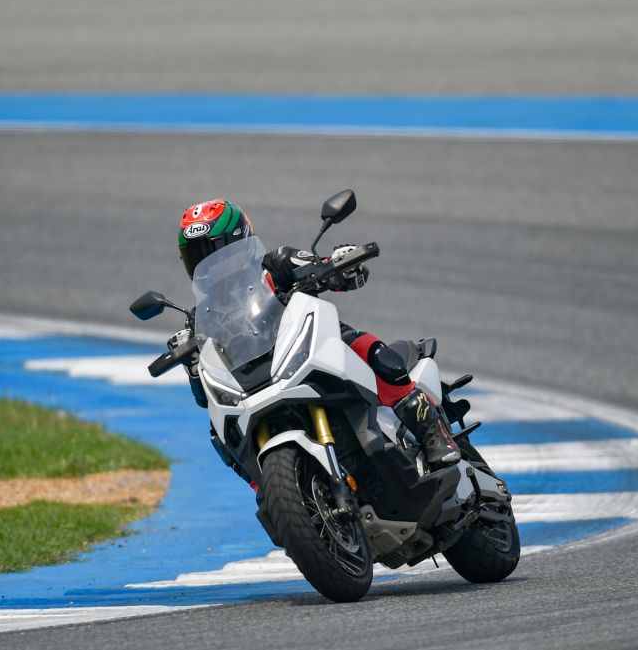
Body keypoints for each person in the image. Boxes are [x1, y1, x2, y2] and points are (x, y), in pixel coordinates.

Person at [176, 198, 460, 470]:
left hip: (310, 345)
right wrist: (191, 365)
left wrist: (339, 265)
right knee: (220, 431)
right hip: (256, 377)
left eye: (216, 252)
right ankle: (265, 487)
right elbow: (204, 396)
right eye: (198, 256)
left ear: (241, 244)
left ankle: (433, 433)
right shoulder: (200, 317)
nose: (209, 264)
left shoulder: (276, 264)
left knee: (368, 349)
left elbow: (325, 268)